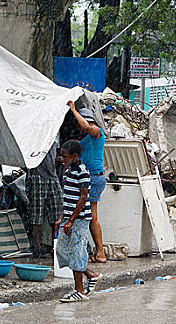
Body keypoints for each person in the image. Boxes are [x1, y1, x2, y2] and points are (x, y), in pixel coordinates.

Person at [56, 140, 103, 302]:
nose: (62, 158)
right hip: (69, 218)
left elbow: (83, 198)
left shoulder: (82, 172)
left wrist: (71, 220)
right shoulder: (68, 171)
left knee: (77, 252)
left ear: (75, 156)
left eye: (65, 156)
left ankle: (79, 290)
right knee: (62, 251)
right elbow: (67, 196)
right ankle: (91, 274)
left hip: (79, 219)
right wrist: (63, 217)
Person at [67, 100, 107, 263]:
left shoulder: (97, 132)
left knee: (88, 217)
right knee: (90, 217)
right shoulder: (84, 139)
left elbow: (85, 126)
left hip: (93, 178)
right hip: (90, 178)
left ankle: (98, 252)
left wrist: (74, 110)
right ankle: (98, 252)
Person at [26, 139, 63, 258]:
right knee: (37, 215)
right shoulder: (38, 130)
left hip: (52, 175)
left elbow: (56, 154)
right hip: (38, 176)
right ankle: (37, 248)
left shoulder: (55, 131)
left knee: (57, 212)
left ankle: (55, 246)